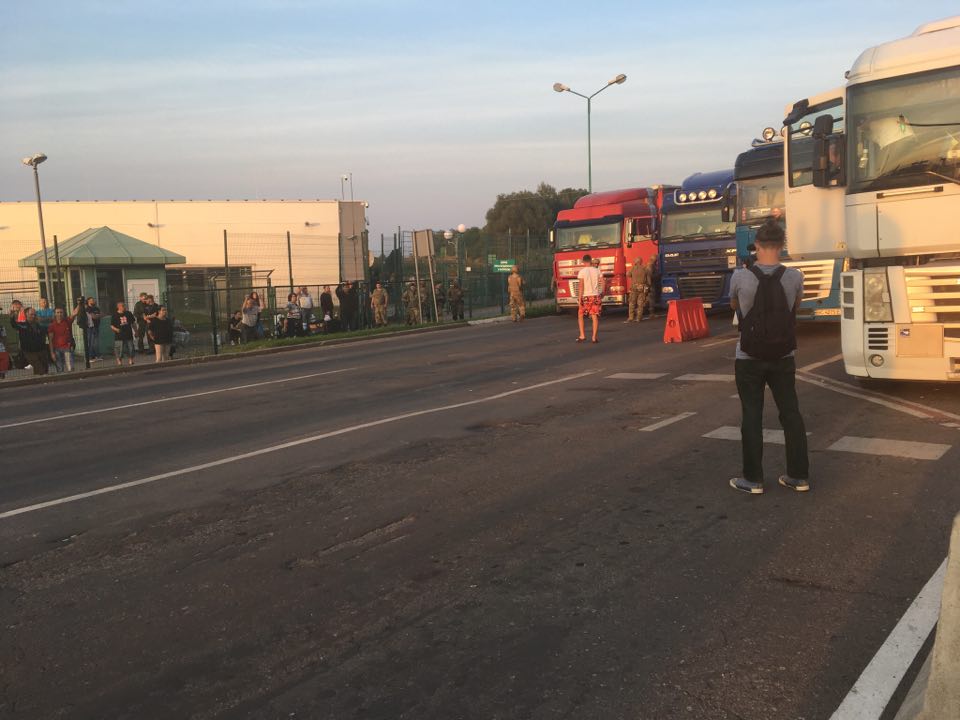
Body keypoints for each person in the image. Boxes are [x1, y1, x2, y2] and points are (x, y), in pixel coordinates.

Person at [728, 217, 809, 495]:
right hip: (783, 355)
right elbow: (796, 306)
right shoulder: (795, 276)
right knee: (790, 413)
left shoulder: (740, 277)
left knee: (752, 414)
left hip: (748, 357)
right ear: (782, 245)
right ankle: (798, 476)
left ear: (757, 246)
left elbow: (735, 305)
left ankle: (753, 480)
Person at [11, 307, 49, 375]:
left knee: (44, 369)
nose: (33, 316)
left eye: (34, 314)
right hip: (29, 351)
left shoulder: (40, 326)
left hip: (41, 350)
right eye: (31, 314)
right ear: (26, 314)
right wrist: (12, 316)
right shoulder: (23, 325)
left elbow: (48, 330)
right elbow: (14, 324)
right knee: (40, 369)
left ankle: (38, 380)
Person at [577, 254, 603, 343]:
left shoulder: (582, 272)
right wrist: (602, 292)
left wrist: (579, 298)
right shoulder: (597, 270)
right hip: (595, 296)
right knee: (594, 316)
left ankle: (582, 335)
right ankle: (594, 337)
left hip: (585, 297)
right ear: (591, 260)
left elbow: (581, 286)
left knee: (580, 314)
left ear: (583, 261)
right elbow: (603, 281)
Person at [47, 302, 80, 373]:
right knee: (60, 369)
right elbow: (50, 340)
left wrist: (79, 304)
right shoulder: (52, 325)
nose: (59, 314)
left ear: (63, 313)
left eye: (61, 312)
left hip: (67, 348)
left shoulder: (67, 321)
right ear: (55, 314)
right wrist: (52, 353)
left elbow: (74, 313)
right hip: (56, 349)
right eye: (57, 312)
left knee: (70, 368)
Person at [626, 255, 655, 322]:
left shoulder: (633, 269)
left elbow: (628, 274)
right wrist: (648, 286)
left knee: (632, 303)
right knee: (640, 303)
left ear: (635, 262)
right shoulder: (645, 269)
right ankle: (638, 317)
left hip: (634, 288)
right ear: (641, 262)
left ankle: (631, 317)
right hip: (642, 288)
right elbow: (649, 280)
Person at [111, 301, 137, 366]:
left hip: (128, 334)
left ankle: (131, 360)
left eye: (124, 306)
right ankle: (119, 361)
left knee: (130, 348)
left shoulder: (128, 313)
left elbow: (133, 323)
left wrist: (136, 331)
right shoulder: (115, 315)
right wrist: (116, 329)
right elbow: (112, 326)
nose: (124, 307)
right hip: (119, 336)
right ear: (118, 307)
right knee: (119, 349)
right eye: (123, 306)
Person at [84, 296, 102, 361]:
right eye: (91, 300)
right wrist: (97, 316)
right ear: (88, 301)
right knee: (91, 342)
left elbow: (101, 314)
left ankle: (96, 356)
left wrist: (97, 316)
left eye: (93, 300)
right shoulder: (88, 309)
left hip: (97, 326)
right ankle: (90, 357)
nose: (93, 301)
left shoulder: (96, 308)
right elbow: (93, 317)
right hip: (91, 327)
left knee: (96, 342)